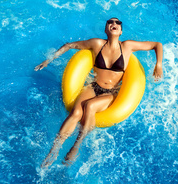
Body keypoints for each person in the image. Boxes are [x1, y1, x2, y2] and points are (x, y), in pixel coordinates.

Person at [35, 18, 163, 168]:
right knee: (76, 112)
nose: (114, 24)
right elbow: (70, 45)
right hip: (94, 86)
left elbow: (157, 45)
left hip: (111, 92)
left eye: (117, 23)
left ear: (121, 31)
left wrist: (158, 65)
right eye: (110, 23)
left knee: (89, 106)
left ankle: (76, 146)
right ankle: (53, 151)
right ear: (106, 30)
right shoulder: (97, 44)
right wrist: (48, 60)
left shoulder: (128, 46)